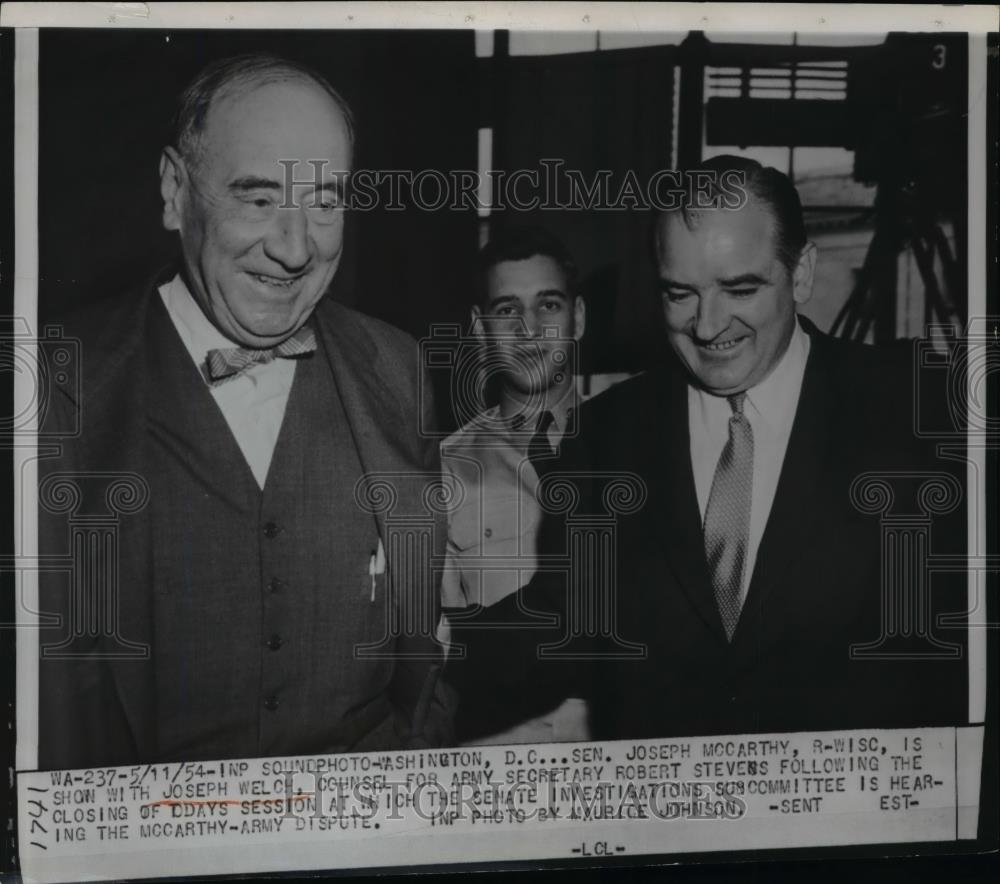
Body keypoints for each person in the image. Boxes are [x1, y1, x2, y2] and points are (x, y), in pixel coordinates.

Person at [448, 156, 967, 739]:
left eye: (740, 288)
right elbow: (562, 624)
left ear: (801, 274)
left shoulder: (920, 410)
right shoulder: (606, 436)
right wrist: (418, 648)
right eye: (680, 294)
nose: (708, 325)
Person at [37, 53, 450, 769]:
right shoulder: (50, 384)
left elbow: (423, 658)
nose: (294, 249)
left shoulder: (398, 368)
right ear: (175, 191)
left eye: (324, 202)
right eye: (257, 199)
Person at [439, 226, 589, 744]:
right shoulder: (443, 474)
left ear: (579, 317)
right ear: (480, 329)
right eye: (507, 310)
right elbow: (442, 649)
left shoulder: (641, 444)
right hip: (502, 753)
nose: (529, 329)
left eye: (548, 305)